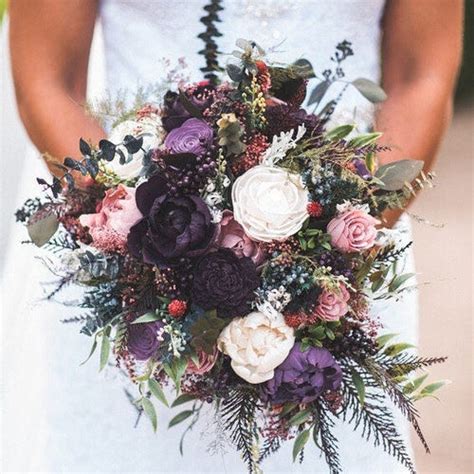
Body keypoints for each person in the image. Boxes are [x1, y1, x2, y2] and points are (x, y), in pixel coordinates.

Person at [4, 0, 462, 472]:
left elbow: (420, 74)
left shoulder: (337, 259)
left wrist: (333, 241)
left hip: (339, 285)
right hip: (136, 280)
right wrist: (144, 237)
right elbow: (47, 80)